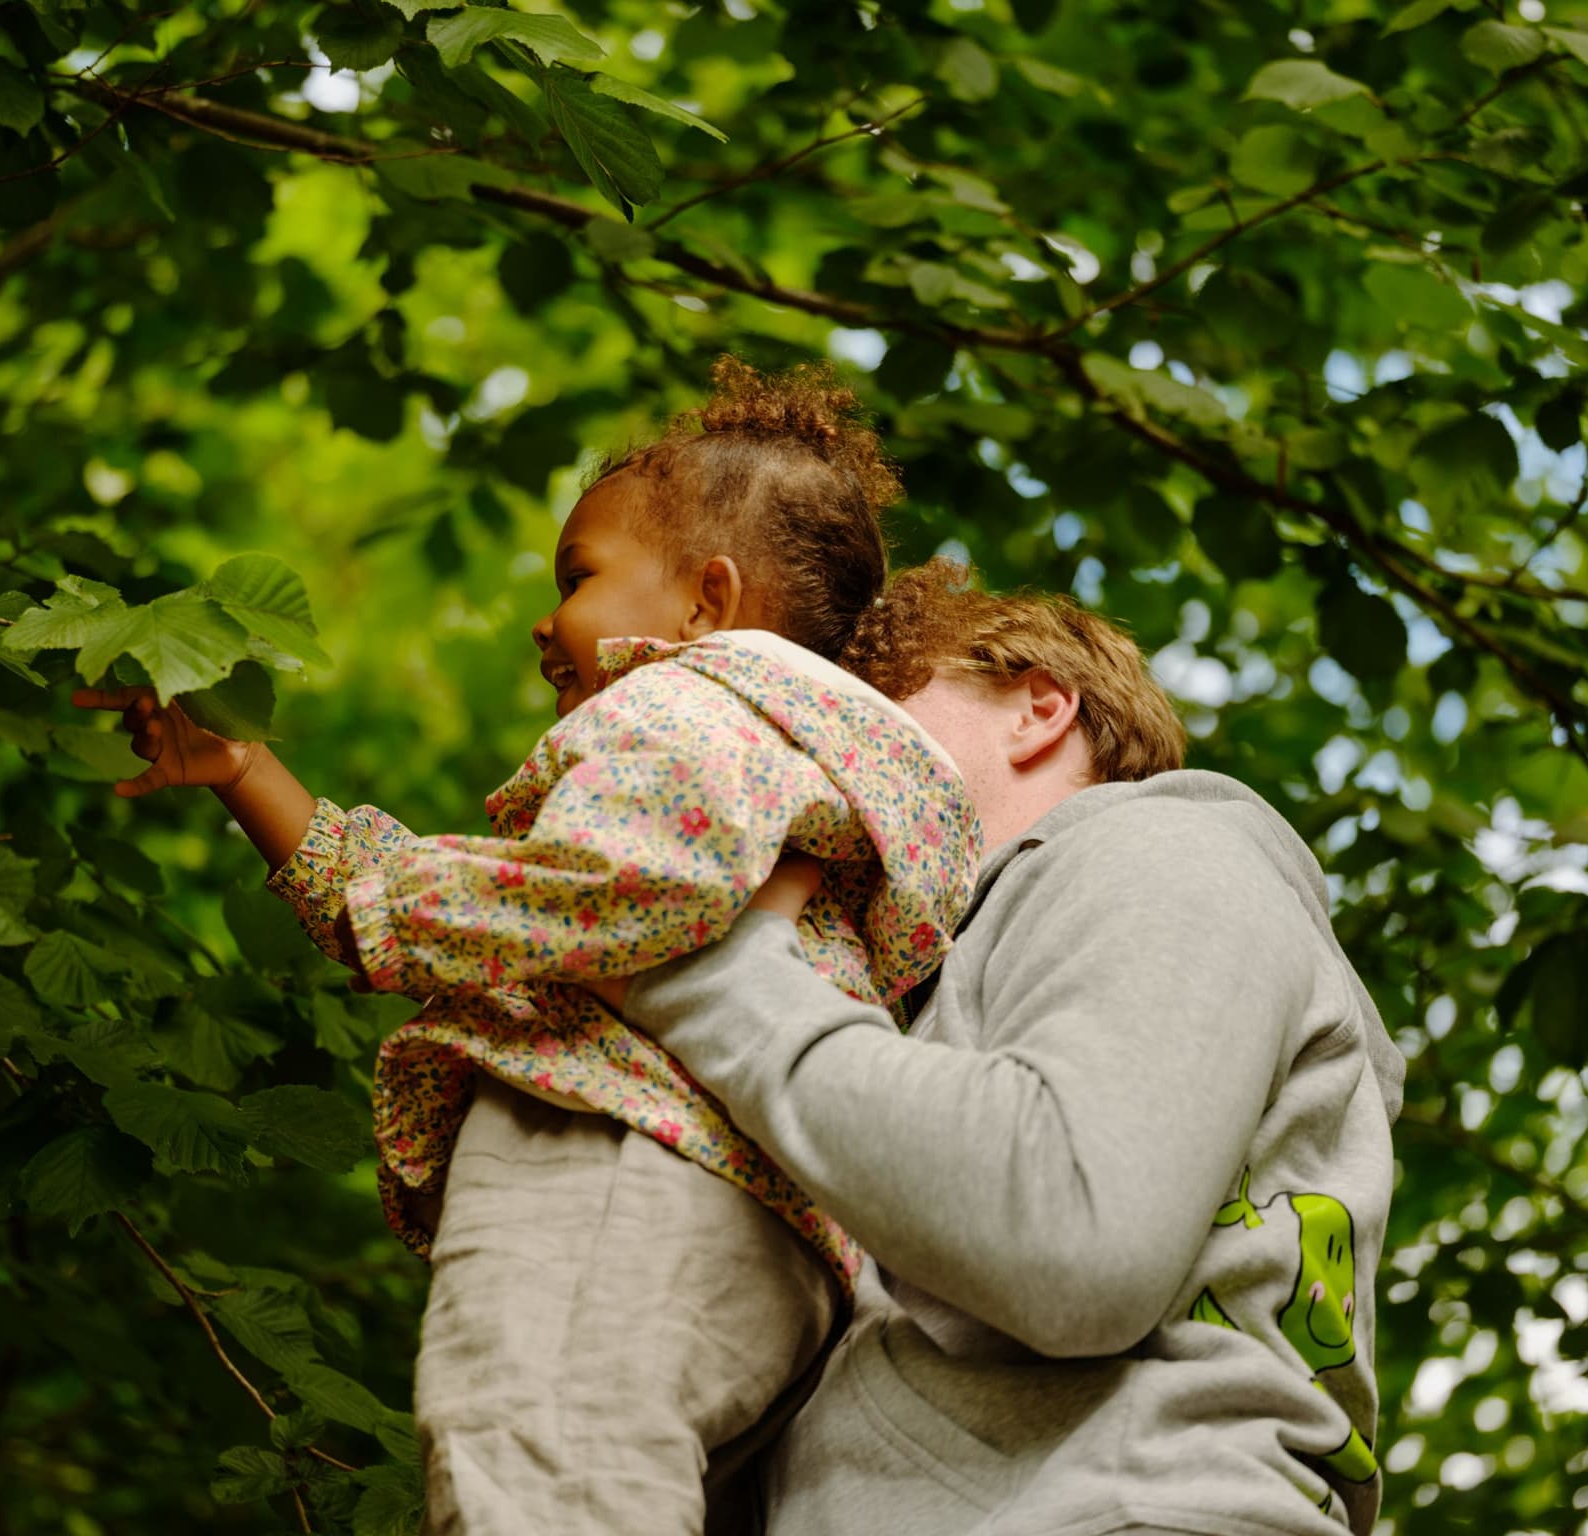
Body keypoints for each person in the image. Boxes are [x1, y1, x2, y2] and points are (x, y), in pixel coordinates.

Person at [73, 361, 983, 1535]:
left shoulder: (686, 703)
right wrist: (248, 771)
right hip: (761, 1240)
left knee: (535, 1468)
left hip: (618, 1163)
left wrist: (396, 906)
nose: (544, 622)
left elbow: (626, 887)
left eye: (578, 576)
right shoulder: (811, 777)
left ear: (706, 601)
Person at [596, 558, 1407, 1536]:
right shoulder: (913, 1026)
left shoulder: (1165, 852)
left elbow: (1077, 1232)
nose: (826, 758)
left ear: (1038, 710)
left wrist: (708, 981)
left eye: (874, 710)